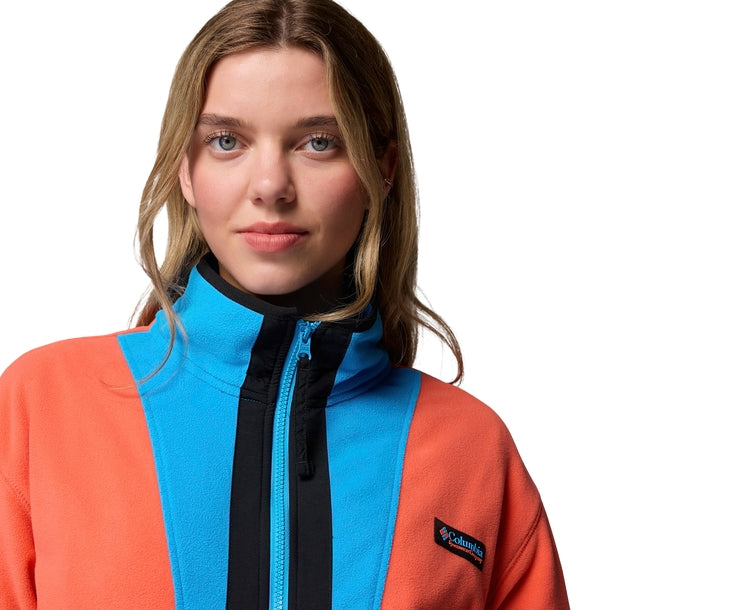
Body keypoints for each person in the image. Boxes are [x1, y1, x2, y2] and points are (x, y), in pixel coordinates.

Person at [0, 0, 569, 607]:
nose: (270, 186)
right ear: (185, 168)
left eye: (318, 142)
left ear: (381, 169)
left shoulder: (473, 450)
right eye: (226, 141)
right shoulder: (43, 405)